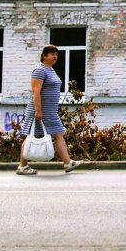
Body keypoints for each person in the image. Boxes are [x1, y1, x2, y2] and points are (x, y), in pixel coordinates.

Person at [16, 45, 84, 175]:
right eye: (51, 54)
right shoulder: (39, 70)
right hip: (40, 111)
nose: (55, 56)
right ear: (44, 56)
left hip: (50, 111)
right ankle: (23, 166)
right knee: (31, 136)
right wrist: (38, 110)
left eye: (56, 54)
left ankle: (67, 162)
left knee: (58, 134)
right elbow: (36, 91)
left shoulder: (50, 70)